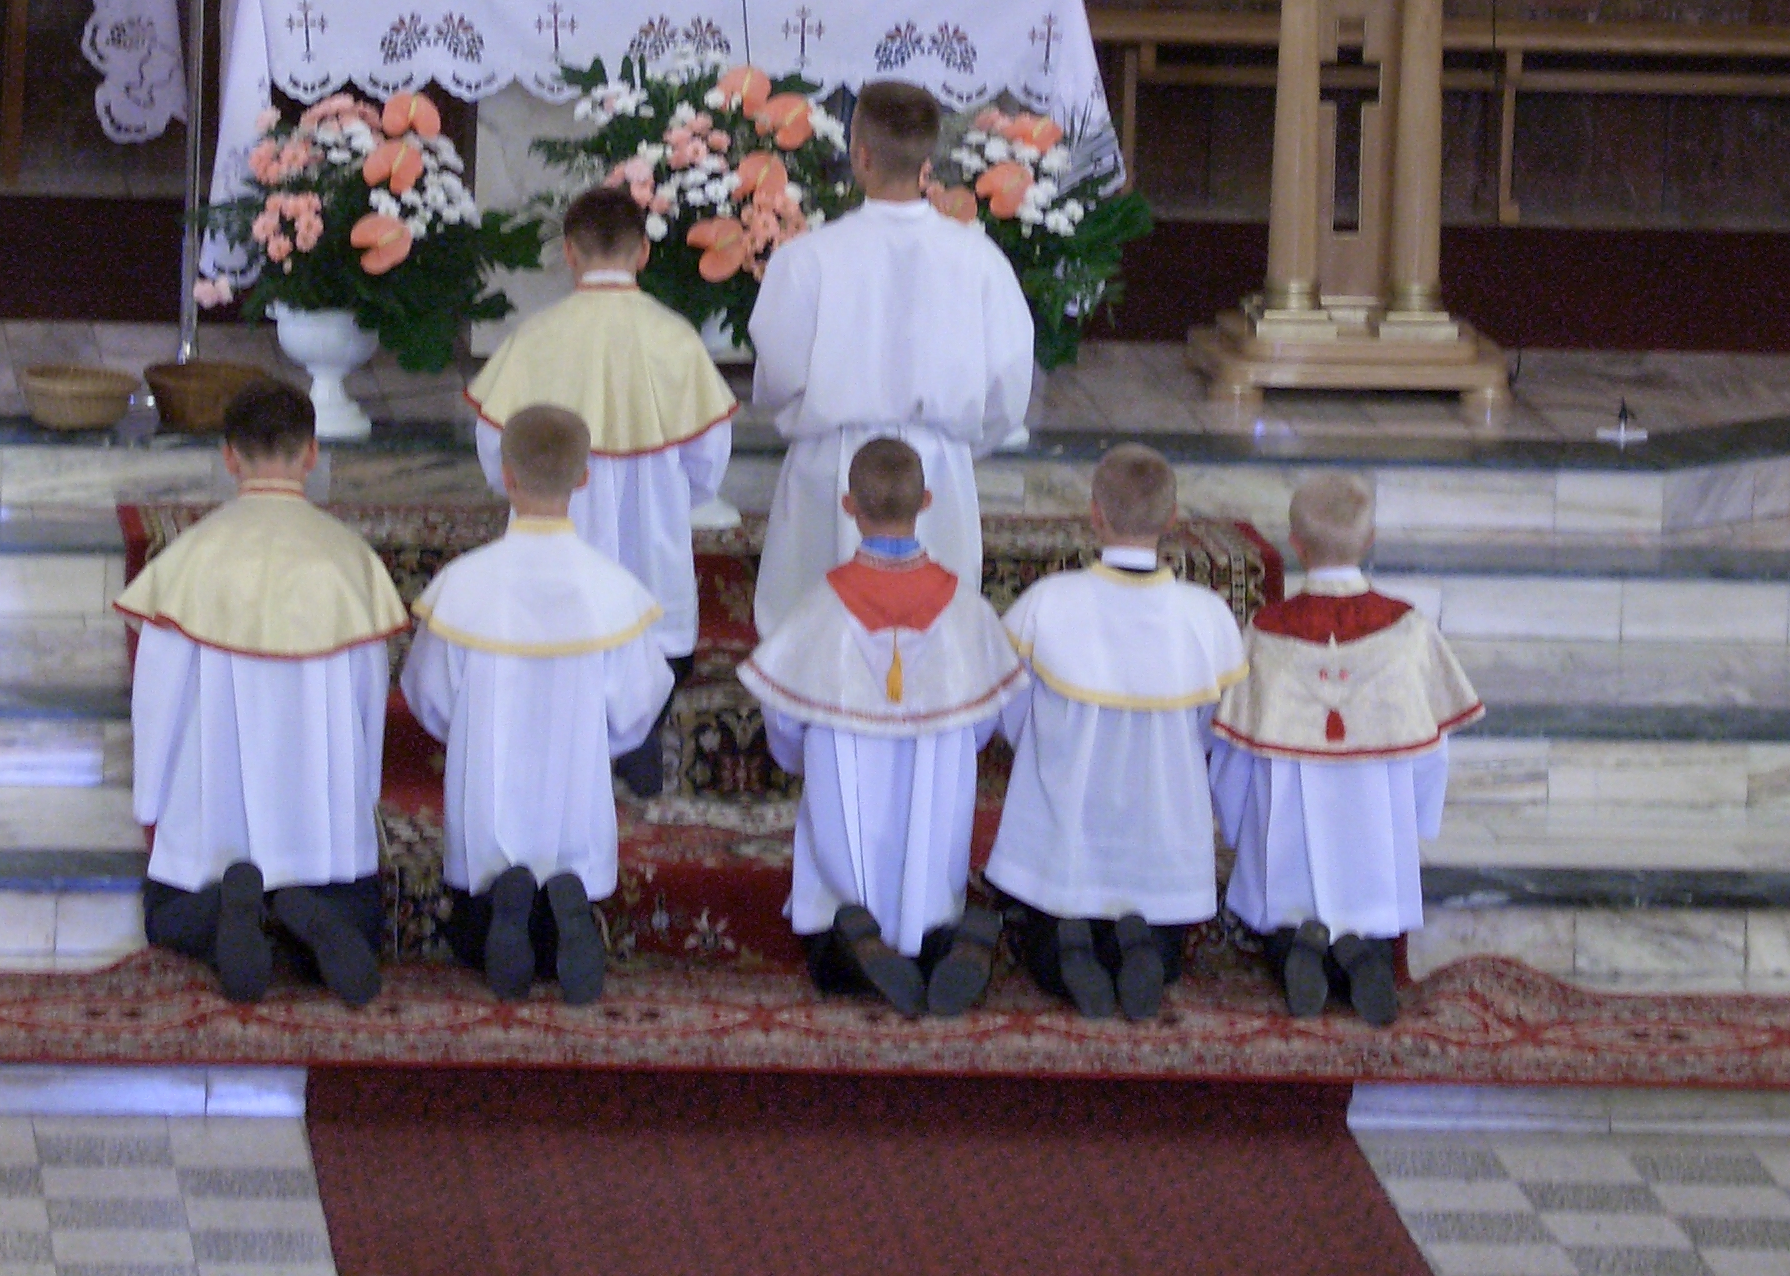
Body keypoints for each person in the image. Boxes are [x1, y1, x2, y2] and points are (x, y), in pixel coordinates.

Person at [112, 381, 406, 1008]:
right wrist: (364, 793)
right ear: (312, 454)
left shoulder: (191, 559)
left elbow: (156, 697)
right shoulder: (349, 562)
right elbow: (369, 694)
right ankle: (304, 911)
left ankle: (229, 909)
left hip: (212, 815)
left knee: (167, 918)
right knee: (360, 920)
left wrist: (150, 801)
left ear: (228, 458)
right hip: (322, 824)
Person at [465, 183, 737, 798]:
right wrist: (677, 497)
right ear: (644, 250)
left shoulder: (537, 338)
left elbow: (495, 446)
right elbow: (709, 458)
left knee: (554, 649)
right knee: (653, 636)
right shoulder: (675, 339)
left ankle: (555, 774)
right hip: (653, 543)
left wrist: (524, 492)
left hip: (555, 535)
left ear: (568, 252)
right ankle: (640, 748)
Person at [401, 404, 678, 1004]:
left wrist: (468, 732)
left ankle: (505, 896)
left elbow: (427, 695)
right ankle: (564, 897)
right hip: (574, 799)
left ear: (506, 476)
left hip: (487, 804)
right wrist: (601, 741)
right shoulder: (611, 590)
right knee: (567, 878)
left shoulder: (465, 585)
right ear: (584, 478)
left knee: (471, 936)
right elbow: (639, 706)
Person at [738, 437, 1022, 1016]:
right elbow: (982, 726)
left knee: (829, 954)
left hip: (842, 797)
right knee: (933, 890)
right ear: (927, 501)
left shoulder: (818, 610)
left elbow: (784, 724)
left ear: (848, 506)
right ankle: (947, 939)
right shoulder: (965, 610)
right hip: (936, 787)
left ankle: (852, 936)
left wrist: (803, 756)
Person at [745, 77, 1036, 636]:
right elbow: (1007, 385)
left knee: (815, 639)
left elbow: (779, 377)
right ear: (927, 160)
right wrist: (958, 445)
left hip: (832, 469)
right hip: (934, 473)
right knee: (933, 639)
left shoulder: (807, 259)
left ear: (861, 156)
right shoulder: (979, 260)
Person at [984, 446, 1245, 1022]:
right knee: (1165, 956)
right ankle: (1140, 942)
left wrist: (1045, 747)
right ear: (1172, 518)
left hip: (1065, 838)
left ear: (1094, 515)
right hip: (1161, 842)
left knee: (1040, 945)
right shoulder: (1206, 616)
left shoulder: (1049, 602)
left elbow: (1009, 704)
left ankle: (1069, 940)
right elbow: (1215, 731)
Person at [1209, 472, 1480, 1026]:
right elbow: (1432, 747)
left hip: (1287, 838)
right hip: (1375, 829)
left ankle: (1299, 948)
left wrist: (1234, 826)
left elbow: (1234, 753)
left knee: (1281, 911)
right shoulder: (1408, 630)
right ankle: (1361, 953)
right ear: (1370, 539)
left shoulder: (1265, 632)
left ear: (1296, 545)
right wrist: (1418, 816)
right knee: (1372, 909)